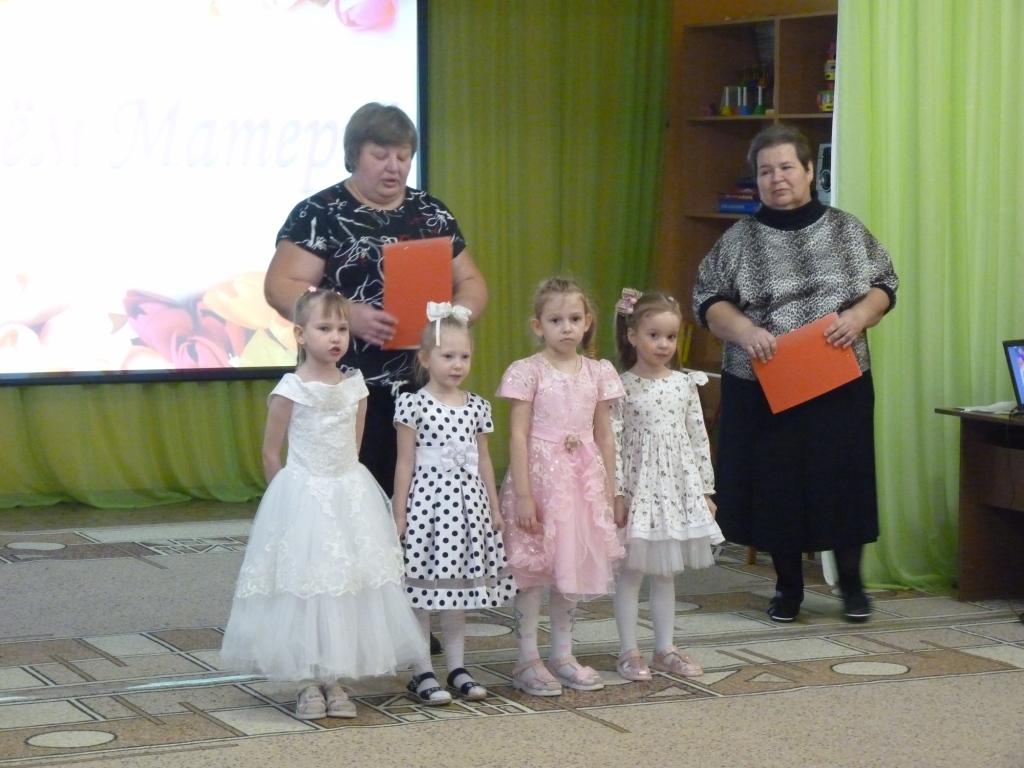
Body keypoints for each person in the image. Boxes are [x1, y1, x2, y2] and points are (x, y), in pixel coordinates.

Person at [692, 124, 899, 624]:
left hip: (838, 381)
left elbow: (885, 284)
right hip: (764, 384)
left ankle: (852, 587)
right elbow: (707, 300)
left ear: (809, 171)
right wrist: (744, 330)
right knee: (777, 485)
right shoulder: (737, 240)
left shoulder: (847, 230)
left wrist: (859, 316)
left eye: (787, 167)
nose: (777, 178)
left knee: (842, 480)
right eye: (766, 171)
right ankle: (787, 588)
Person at [220, 288, 441, 720]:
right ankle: (307, 680)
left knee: (344, 584)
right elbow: (271, 453)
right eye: (324, 328)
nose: (336, 337)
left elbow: (353, 448)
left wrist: (348, 491)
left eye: (342, 328)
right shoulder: (290, 390)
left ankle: (335, 678)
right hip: (302, 496)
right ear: (301, 335)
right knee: (305, 587)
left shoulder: (356, 387)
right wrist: (285, 502)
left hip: (347, 494)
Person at [264, 102, 487, 498]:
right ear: (354, 155)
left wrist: (454, 319)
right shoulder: (320, 213)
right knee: (350, 498)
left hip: (422, 387)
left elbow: (471, 282)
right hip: (342, 387)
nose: (393, 167)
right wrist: (348, 315)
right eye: (380, 155)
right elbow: (280, 286)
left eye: (403, 156)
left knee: (420, 497)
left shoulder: (431, 213)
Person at [496, 277, 625, 696]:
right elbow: (518, 434)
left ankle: (563, 654)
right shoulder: (527, 371)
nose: (566, 328)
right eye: (555, 320)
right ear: (538, 326)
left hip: (582, 484)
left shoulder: (598, 372)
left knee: (572, 568)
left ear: (587, 322)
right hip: (541, 481)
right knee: (534, 571)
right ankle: (527, 658)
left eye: (574, 319)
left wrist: (610, 491)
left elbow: (604, 435)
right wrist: (524, 495)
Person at [392, 302, 515, 702]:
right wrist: (399, 513)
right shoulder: (413, 404)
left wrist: (494, 507)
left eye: (464, 356)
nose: (457, 364)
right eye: (448, 356)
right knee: (422, 592)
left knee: (457, 592)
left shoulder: (478, 406)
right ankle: (422, 671)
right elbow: (405, 462)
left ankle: (458, 667)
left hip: (467, 509)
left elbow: (484, 461)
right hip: (427, 508)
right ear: (425, 358)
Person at [610, 289, 723, 681]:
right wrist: (616, 492)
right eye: (654, 335)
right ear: (632, 336)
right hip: (638, 492)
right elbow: (613, 442)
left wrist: (705, 491)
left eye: (670, 337)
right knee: (631, 572)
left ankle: (665, 648)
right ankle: (628, 651)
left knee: (666, 572)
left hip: (675, 491)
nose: (663, 344)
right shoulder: (621, 386)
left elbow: (698, 439)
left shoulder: (684, 384)